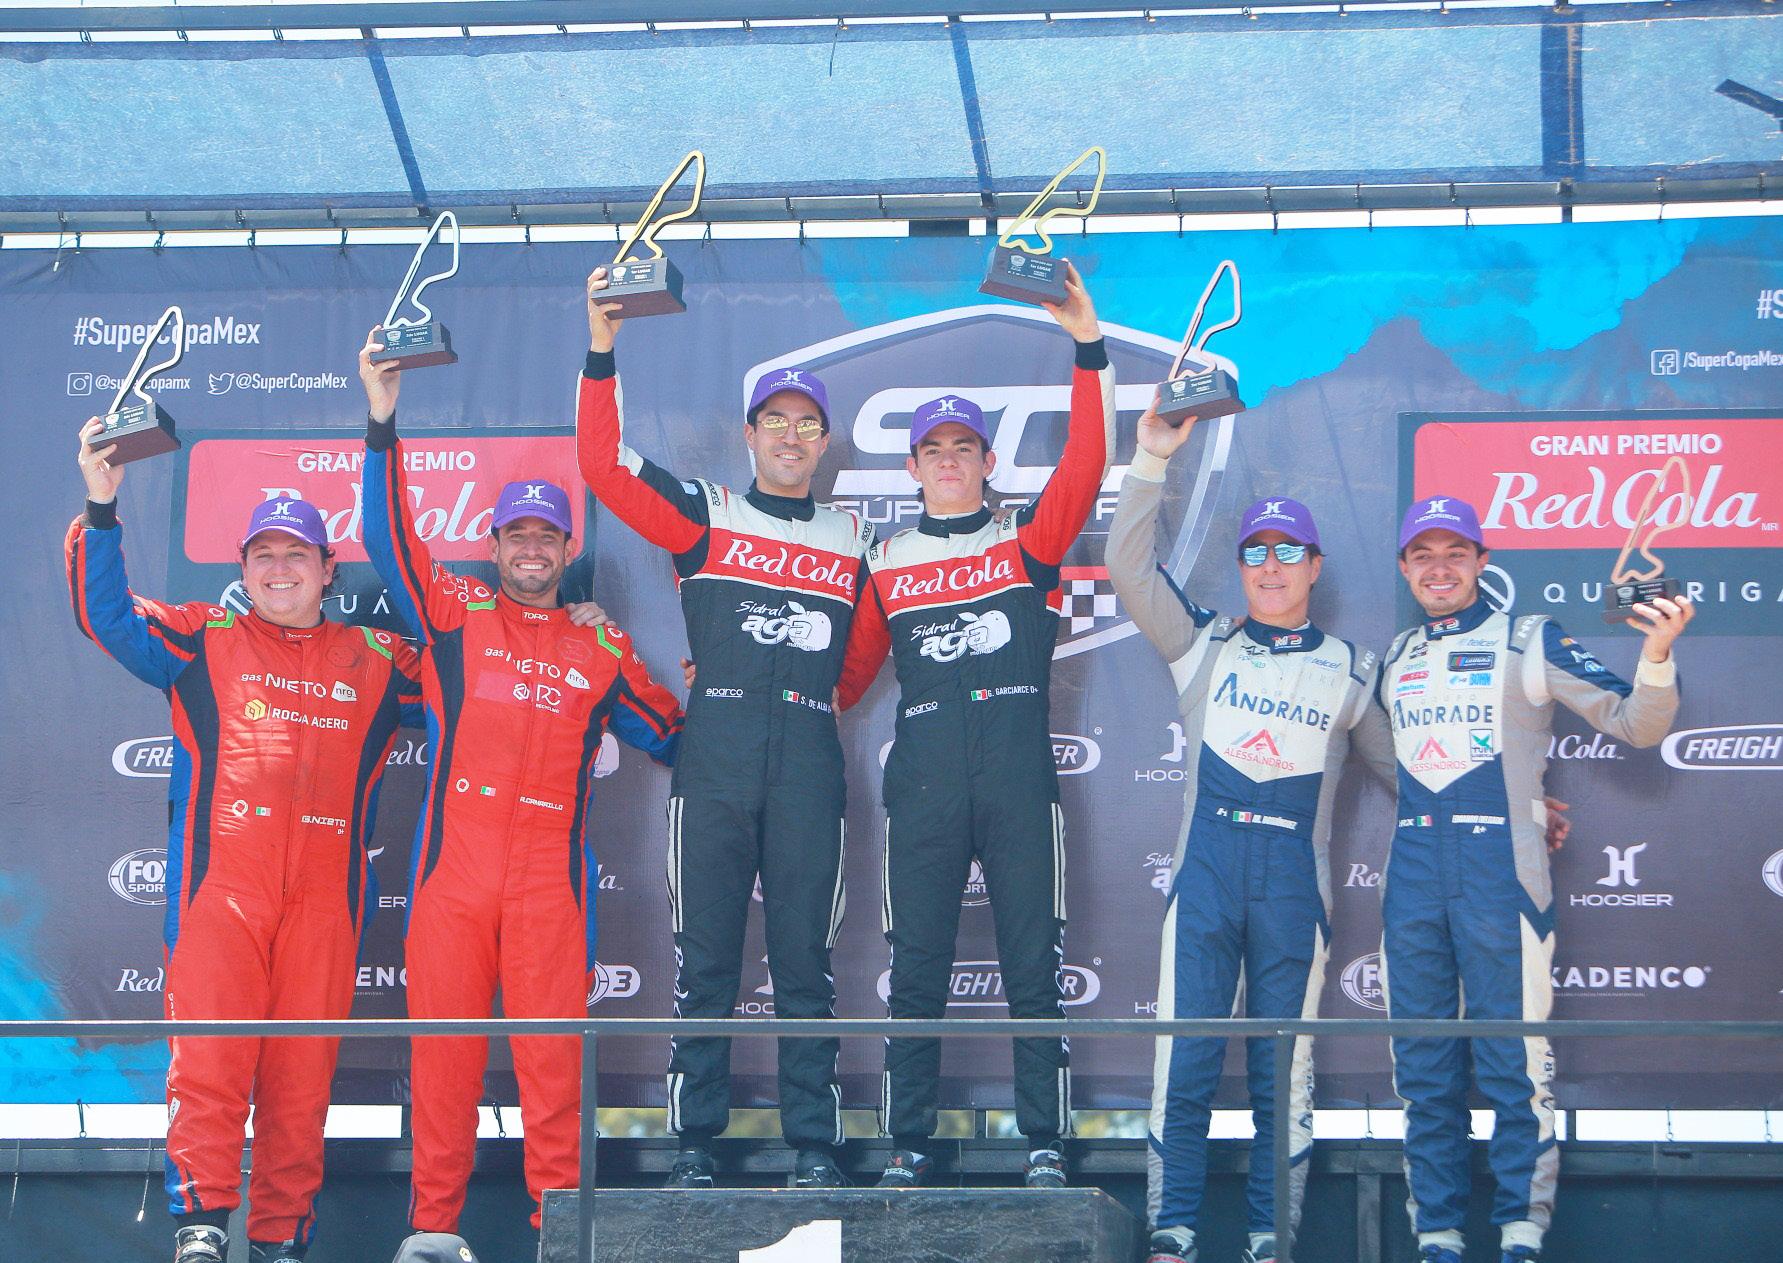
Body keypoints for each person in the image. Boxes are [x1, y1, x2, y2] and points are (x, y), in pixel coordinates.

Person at [67, 420, 423, 1263]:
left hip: (326, 903)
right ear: (243, 568)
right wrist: (101, 508)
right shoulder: (203, 638)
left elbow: (482, 676)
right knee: (211, 1065)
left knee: (301, 1079)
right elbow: (105, 614)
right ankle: (200, 1225)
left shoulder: (381, 658)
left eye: (297, 554)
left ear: (329, 568)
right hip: (219, 893)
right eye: (263, 554)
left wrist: (564, 620)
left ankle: (281, 1239)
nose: (279, 567)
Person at [358, 332, 684, 1235]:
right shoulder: (454, 617)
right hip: (450, 882)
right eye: (517, 534)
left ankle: (560, 1232)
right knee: (443, 1066)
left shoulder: (598, 644)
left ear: (568, 546)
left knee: (553, 1068)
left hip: (549, 885)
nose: (532, 547)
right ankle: (433, 1232)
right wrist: (382, 423)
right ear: (494, 543)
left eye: (547, 535)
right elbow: (387, 537)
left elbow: (667, 734)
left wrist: (674, 663)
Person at [577, 268, 874, 1190]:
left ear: (824, 441)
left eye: (806, 424)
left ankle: (813, 1145)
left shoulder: (853, 537)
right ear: (749, 434)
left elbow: (862, 660)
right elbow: (602, 464)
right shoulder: (707, 514)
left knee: (805, 965)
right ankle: (694, 1144)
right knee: (704, 961)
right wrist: (601, 346)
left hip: (807, 762)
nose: (790, 435)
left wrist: (810, 697)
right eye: (774, 421)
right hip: (715, 760)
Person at [835, 261, 1112, 1190]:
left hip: (1017, 780)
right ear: (910, 467)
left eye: (964, 446)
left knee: (1035, 963)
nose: (948, 459)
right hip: (923, 785)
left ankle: (1045, 1141)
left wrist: (1085, 343)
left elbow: (1086, 462)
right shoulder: (884, 560)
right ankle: (907, 1142)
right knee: (915, 968)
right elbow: (843, 680)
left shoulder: (1026, 540)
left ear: (988, 461)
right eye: (933, 448)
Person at [1106, 405, 1396, 1263]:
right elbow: (1127, 567)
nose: (1271, 566)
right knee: (1184, 1060)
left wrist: (1523, 805)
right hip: (1205, 875)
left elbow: (1413, 774)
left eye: (1287, 551)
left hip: (1292, 886)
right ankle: (1171, 1232)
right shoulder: (1202, 643)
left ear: (1314, 565)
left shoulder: (1351, 668)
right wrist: (1150, 460)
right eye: (1256, 552)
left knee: (1282, 1072)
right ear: (1240, 568)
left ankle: (1272, 1239)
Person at [1381, 494, 1690, 1263]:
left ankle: (1520, 1228)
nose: (1439, 568)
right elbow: (1391, 763)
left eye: (1455, 552)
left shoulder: (1527, 638)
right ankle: (1436, 1233)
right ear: (1404, 568)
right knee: (1421, 1065)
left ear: (1482, 562)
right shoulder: (1393, 655)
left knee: (1511, 1059)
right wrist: (1528, 794)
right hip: (1411, 869)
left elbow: (1638, 724)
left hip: (1500, 871)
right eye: (1423, 555)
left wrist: (1655, 655)